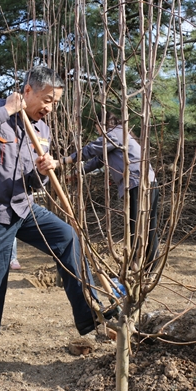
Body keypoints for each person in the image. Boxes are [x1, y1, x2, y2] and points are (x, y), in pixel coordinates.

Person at [0, 66, 102, 377]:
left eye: (55, 103)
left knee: (66, 237)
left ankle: (89, 315)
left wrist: (43, 171)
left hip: (23, 208)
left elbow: (33, 182)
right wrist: (6, 111)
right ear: (27, 91)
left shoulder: (43, 131)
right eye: (47, 100)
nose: (50, 108)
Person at [62, 111, 160, 271]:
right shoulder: (120, 135)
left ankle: (139, 268)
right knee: (147, 226)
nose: (97, 132)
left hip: (137, 183)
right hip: (147, 181)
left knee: (137, 227)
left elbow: (92, 149)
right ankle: (147, 268)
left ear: (101, 124)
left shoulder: (115, 134)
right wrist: (76, 175)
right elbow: (98, 160)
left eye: (96, 127)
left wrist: (65, 160)